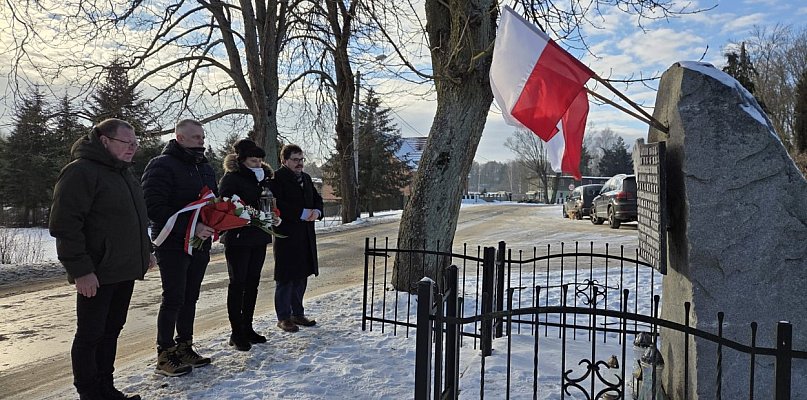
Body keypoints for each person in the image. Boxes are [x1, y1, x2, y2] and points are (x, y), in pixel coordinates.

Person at [49, 118, 154, 400]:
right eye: (127, 143)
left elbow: (134, 220)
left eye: (135, 143)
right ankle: (90, 393)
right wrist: (81, 270)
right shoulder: (80, 172)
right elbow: (65, 225)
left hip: (123, 270)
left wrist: (146, 250)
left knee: (111, 331)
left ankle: (106, 389)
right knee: (90, 335)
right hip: (96, 273)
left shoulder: (123, 174)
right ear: (104, 141)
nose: (133, 148)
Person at [142, 119, 218, 376]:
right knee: (173, 297)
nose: (201, 141)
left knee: (191, 296)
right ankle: (165, 354)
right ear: (180, 137)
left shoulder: (205, 167)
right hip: (172, 242)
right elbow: (154, 206)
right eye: (196, 137)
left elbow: (212, 203)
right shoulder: (161, 165)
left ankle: (185, 345)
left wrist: (215, 223)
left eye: (202, 136)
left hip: (200, 243)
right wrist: (190, 226)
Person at [219, 139, 275, 351]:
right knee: (238, 284)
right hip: (238, 239)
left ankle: (248, 327)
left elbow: (268, 202)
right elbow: (226, 205)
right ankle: (236, 332)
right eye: (253, 160)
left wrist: (271, 216)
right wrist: (248, 214)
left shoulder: (263, 178)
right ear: (242, 160)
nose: (258, 164)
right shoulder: (232, 179)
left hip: (258, 237)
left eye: (260, 160)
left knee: (253, 283)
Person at [270, 144, 323, 332]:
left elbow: (317, 198)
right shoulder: (276, 179)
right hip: (286, 234)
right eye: (295, 160)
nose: (299, 163)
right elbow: (277, 204)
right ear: (284, 160)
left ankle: (297, 313)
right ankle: (283, 317)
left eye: (301, 159)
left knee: (302, 276)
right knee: (286, 278)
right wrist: (300, 213)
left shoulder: (307, 178)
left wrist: (317, 211)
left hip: (306, 234)